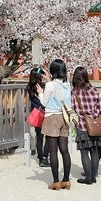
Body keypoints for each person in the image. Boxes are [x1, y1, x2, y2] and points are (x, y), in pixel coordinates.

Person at [39, 58, 72, 190]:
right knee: (64, 150)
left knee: (53, 151)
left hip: (52, 117)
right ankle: (66, 180)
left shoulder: (50, 85)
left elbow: (44, 102)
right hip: (64, 118)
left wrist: (40, 94)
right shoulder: (67, 84)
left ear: (53, 70)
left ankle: (56, 182)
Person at [70, 66, 101, 185]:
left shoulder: (74, 93)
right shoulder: (95, 90)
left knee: (84, 152)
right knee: (94, 151)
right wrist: (92, 115)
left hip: (82, 125)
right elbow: (99, 108)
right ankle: (93, 176)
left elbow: (73, 109)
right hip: (95, 125)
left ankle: (88, 177)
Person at [25, 67, 49, 167]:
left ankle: (40, 158)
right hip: (45, 112)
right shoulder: (43, 86)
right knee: (48, 136)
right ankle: (45, 156)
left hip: (36, 112)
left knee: (39, 136)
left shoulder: (29, 87)